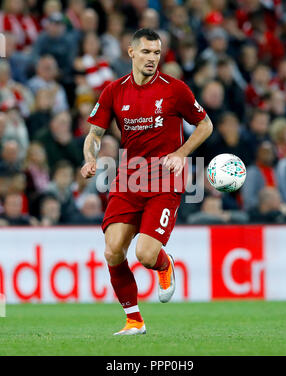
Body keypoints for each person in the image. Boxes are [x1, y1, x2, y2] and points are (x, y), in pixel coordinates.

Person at [81, 29, 213, 335]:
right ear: (131, 53)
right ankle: (134, 320)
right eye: (146, 52)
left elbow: (205, 125)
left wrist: (182, 153)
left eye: (157, 53)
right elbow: (94, 135)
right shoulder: (113, 91)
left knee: (145, 255)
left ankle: (164, 265)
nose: (152, 58)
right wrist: (90, 158)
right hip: (130, 178)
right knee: (113, 251)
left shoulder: (175, 89)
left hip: (166, 181)